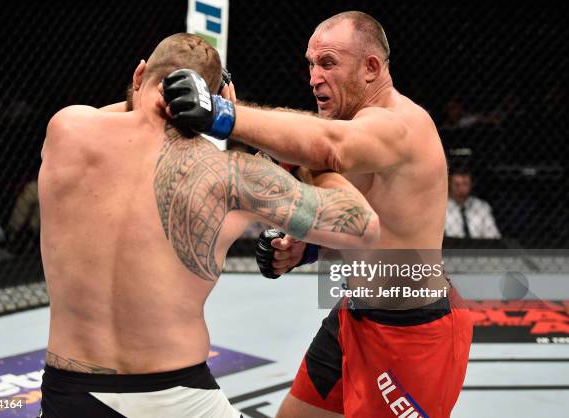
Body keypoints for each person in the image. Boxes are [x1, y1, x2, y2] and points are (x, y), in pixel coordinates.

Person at [38, 33, 379, 418]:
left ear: (139, 75)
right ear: (216, 99)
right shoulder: (230, 174)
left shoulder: (66, 130)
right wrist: (293, 152)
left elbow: (121, 114)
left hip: (69, 397)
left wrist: (155, 95)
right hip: (179, 399)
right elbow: (363, 225)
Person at [161, 11, 473, 418]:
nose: (313, 77)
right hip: (353, 316)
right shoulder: (353, 123)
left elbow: (328, 149)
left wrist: (223, 115)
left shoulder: (399, 125)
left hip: (413, 336)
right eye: (310, 64)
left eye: (327, 63)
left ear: (371, 68)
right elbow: (375, 224)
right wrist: (308, 250)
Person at [445, 168, 501, 239]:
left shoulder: (482, 206)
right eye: (457, 185)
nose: (461, 189)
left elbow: (493, 236)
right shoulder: (442, 207)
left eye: (465, 184)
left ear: (471, 184)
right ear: (449, 185)